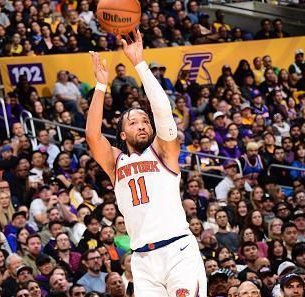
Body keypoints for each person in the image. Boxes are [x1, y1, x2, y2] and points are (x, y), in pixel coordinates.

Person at [85, 30, 206, 296]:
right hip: (142, 260)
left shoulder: (165, 151)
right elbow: (92, 136)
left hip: (178, 251)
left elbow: (162, 109)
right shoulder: (116, 162)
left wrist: (139, 64)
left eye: (145, 121)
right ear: (122, 134)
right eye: (133, 122)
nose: (141, 125)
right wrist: (101, 86)